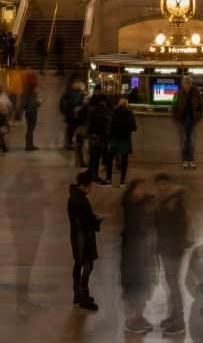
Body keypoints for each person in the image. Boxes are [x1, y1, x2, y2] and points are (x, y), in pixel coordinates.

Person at [153, 173, 189, 335]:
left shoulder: (173, 203)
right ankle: (174, 316)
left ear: (168, 185)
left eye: (164, 185)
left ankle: (179, 320)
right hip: (167, 249)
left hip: (173, 250)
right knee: (171, 285)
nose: (161, 188)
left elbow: (179, 226)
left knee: (173, 285)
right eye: (159, 185)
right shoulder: (164, 202)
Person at [121, 179, 157, 333]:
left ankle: (139, 317)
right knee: (134, 289)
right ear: (133, 190)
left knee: (143, 288)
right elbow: (138, 227)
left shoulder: (140, 204)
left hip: (143, 254)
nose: (143, 190)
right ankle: (132, 320)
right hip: (134, 255)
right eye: (140, 188)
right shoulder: (131, 206)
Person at [67, 171, 100, 311]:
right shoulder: (80, 200)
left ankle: (77, 294)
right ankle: (83, 298)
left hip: (77, 236)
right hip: (83, 238)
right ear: (86, 185)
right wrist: (95, 221)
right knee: (87, 265)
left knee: (79, 264)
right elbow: (84, 221)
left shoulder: (74, 197)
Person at [170, 75, 203, 169]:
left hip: (192, 120)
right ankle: (185, 160)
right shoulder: (177, 93)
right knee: (184, 141)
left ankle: (192, 160)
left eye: (188, 83)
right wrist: (177, 117)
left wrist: (198, 116)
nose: (187, 85)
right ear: (182, 84)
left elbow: (201, 105)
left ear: (191, 83)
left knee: (192, 141)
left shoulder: (196, 92)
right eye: (185, 83)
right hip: (183, 120)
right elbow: (173, 106)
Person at [107, 95, 137, 184]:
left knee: (110, 159)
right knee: (124, 161)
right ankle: (122, 180)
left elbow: (110, 126)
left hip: (114, 139)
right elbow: (134, 127)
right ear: (126, 104)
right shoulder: (130, 113)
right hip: (125, 139)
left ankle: (108, 179)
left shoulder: (114, 112)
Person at [86, 88, 112, 182]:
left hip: (94, 135)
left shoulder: (92, 108)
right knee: (96, 156)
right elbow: (100, 124)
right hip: (98, 136)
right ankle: (94, 176)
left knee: (93, 155)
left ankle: (91, 173)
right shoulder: (99, 111)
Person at [22, 79, 41, 151]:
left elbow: (26, 104)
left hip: (31, 112)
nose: (37, 88)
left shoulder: (29, 94)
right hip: (31, 113)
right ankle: (29, 146)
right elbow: (30, 104)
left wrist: (37, 104)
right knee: (30, 129)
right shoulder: (31, 94)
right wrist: (38, 103)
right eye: (36, 87)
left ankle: (30, 145)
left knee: (30, 129)